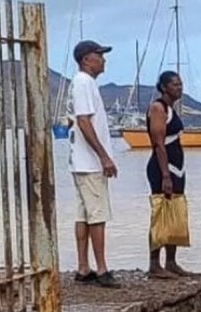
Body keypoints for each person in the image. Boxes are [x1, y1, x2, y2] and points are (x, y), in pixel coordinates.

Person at [68, 40, 120, 288]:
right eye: (99, 55)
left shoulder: (81, 83)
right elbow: (84, 121)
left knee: (84, 215)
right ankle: (101, 269)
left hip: (80, 161)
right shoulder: (84, 82)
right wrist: (104, 156)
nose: (103, 60)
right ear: (87, 59)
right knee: (97, 215)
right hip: (89, 163)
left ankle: (83, 266)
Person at [146, 71, 190, 278]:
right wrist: (165, 175)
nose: (179, 88)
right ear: (164, 87)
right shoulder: (158, 108)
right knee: (160, 213)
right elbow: (159, 144)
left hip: (177, 168)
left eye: (180, 84)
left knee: (175, 212)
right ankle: (154, 263)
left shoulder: (172, 109)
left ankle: (171, 261)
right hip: (162, 167)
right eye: (174, 84)